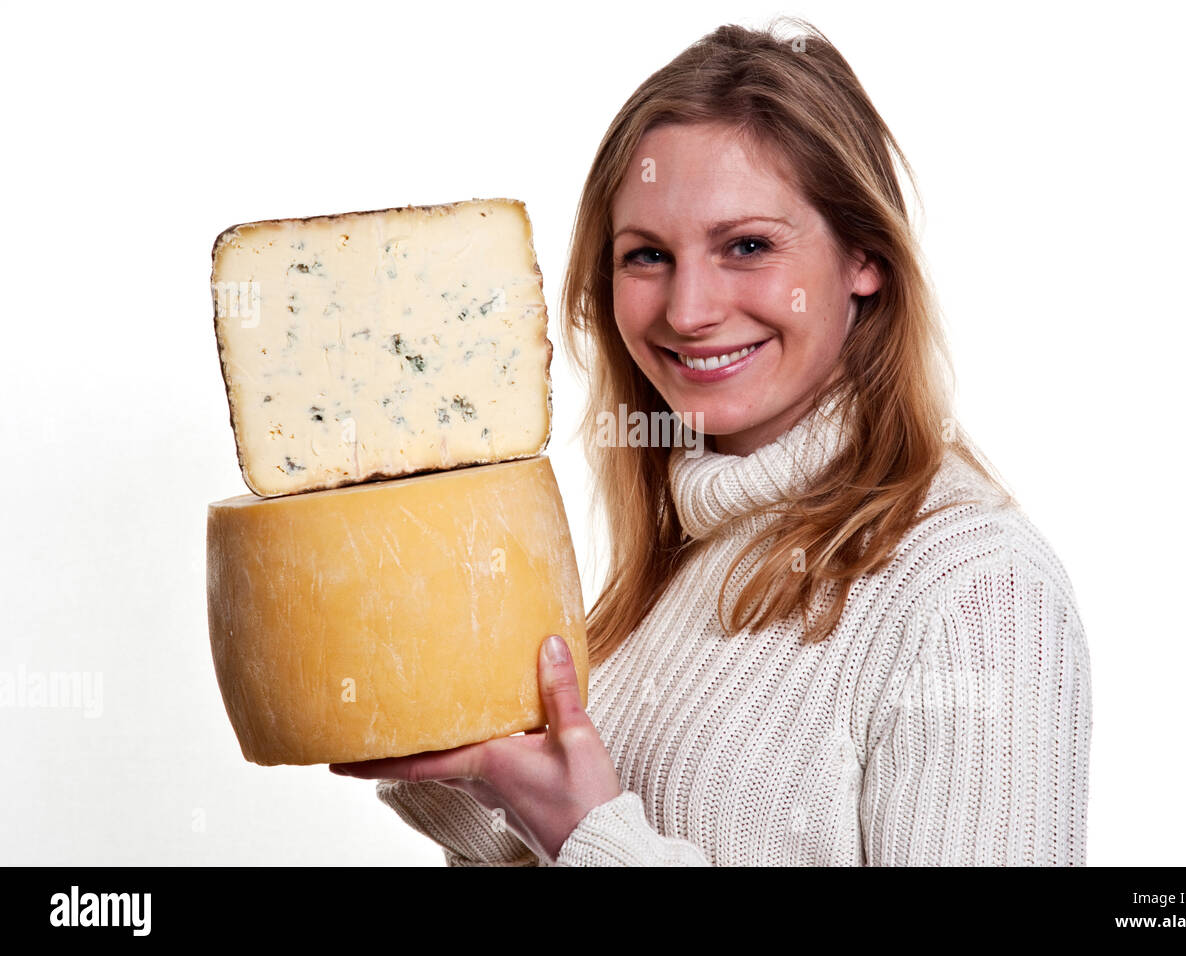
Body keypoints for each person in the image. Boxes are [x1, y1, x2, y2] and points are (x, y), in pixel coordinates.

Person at [330, 17, 1093, 866]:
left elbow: (599, 842)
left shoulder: (975, 592)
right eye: (647, 255)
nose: (688, 310)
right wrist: (487, 780)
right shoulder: (671, 568)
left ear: (864, 258)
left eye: (748, 246)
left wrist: (591, 838)